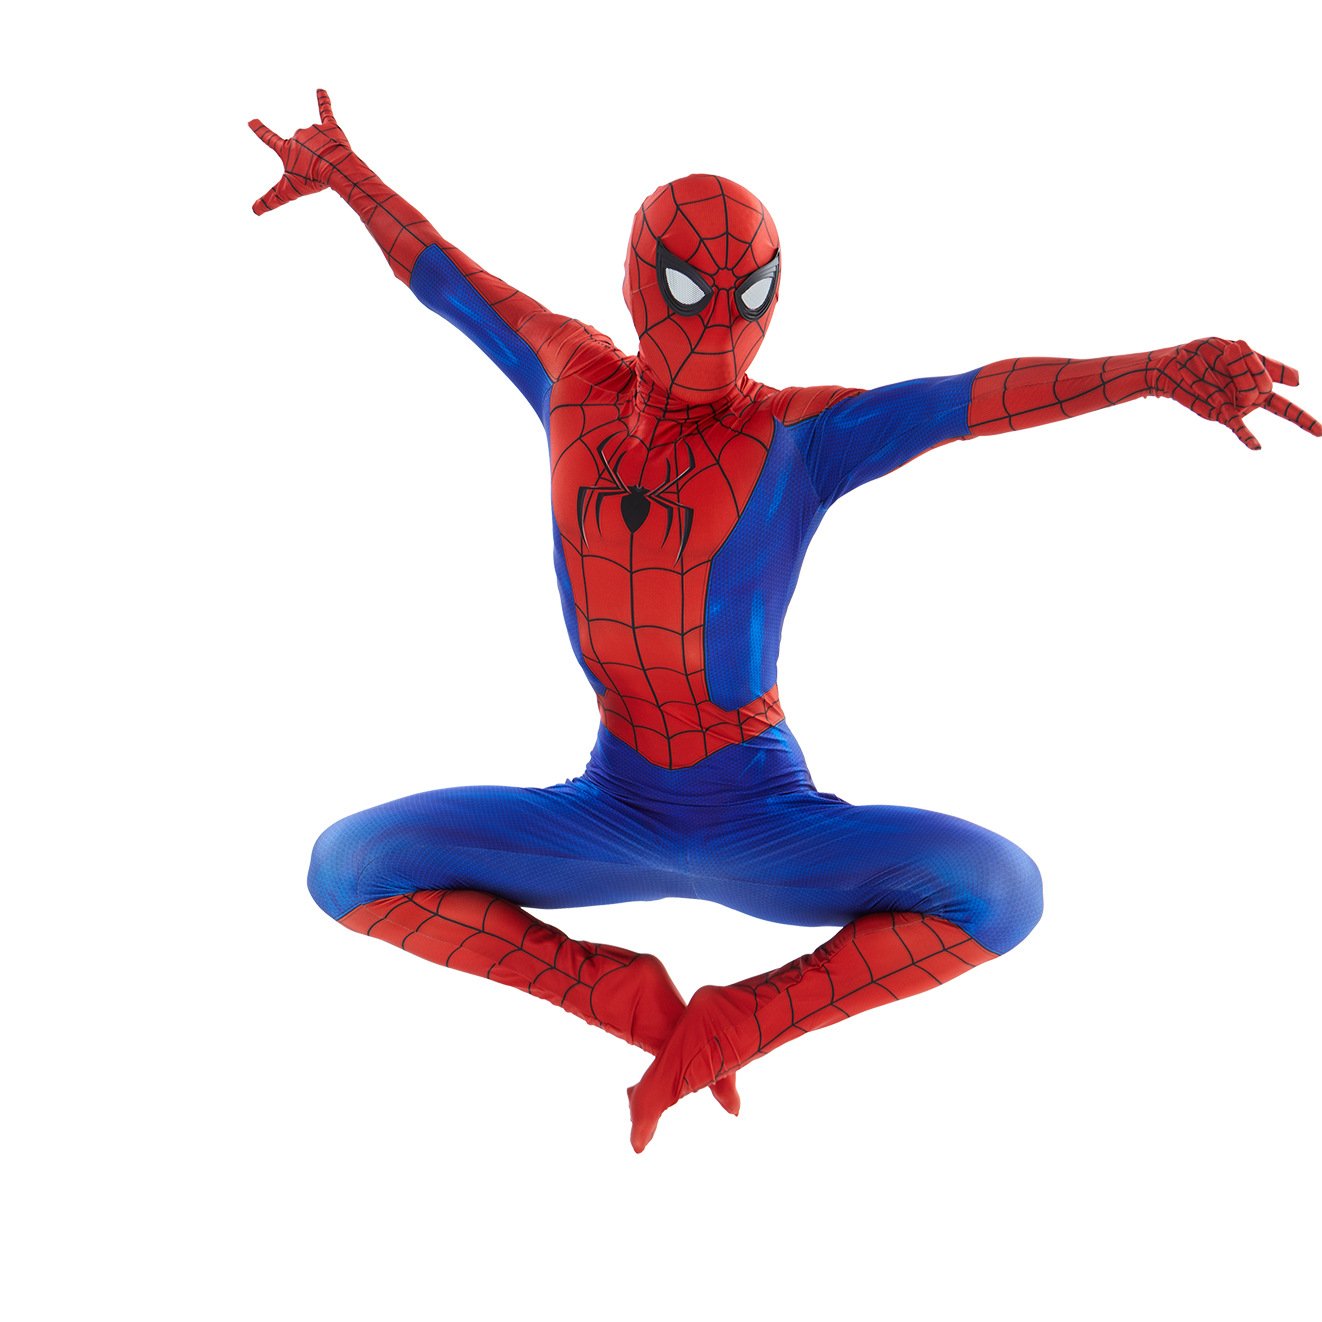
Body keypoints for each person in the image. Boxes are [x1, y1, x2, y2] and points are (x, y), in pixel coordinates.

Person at [250, 90, 1319, 1151]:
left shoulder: (801, 435)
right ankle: (627, 1003)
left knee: (1000, 890)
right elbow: (445, 276)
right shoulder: (567, 373)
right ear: (634, 283)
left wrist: (1156, 373)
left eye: (749, 292)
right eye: (689, 288)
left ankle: (737, 1024)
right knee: (348, 868)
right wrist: (345, 173)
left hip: (763, 817)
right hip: (609, 805)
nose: (719, 323)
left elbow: (973, 396)